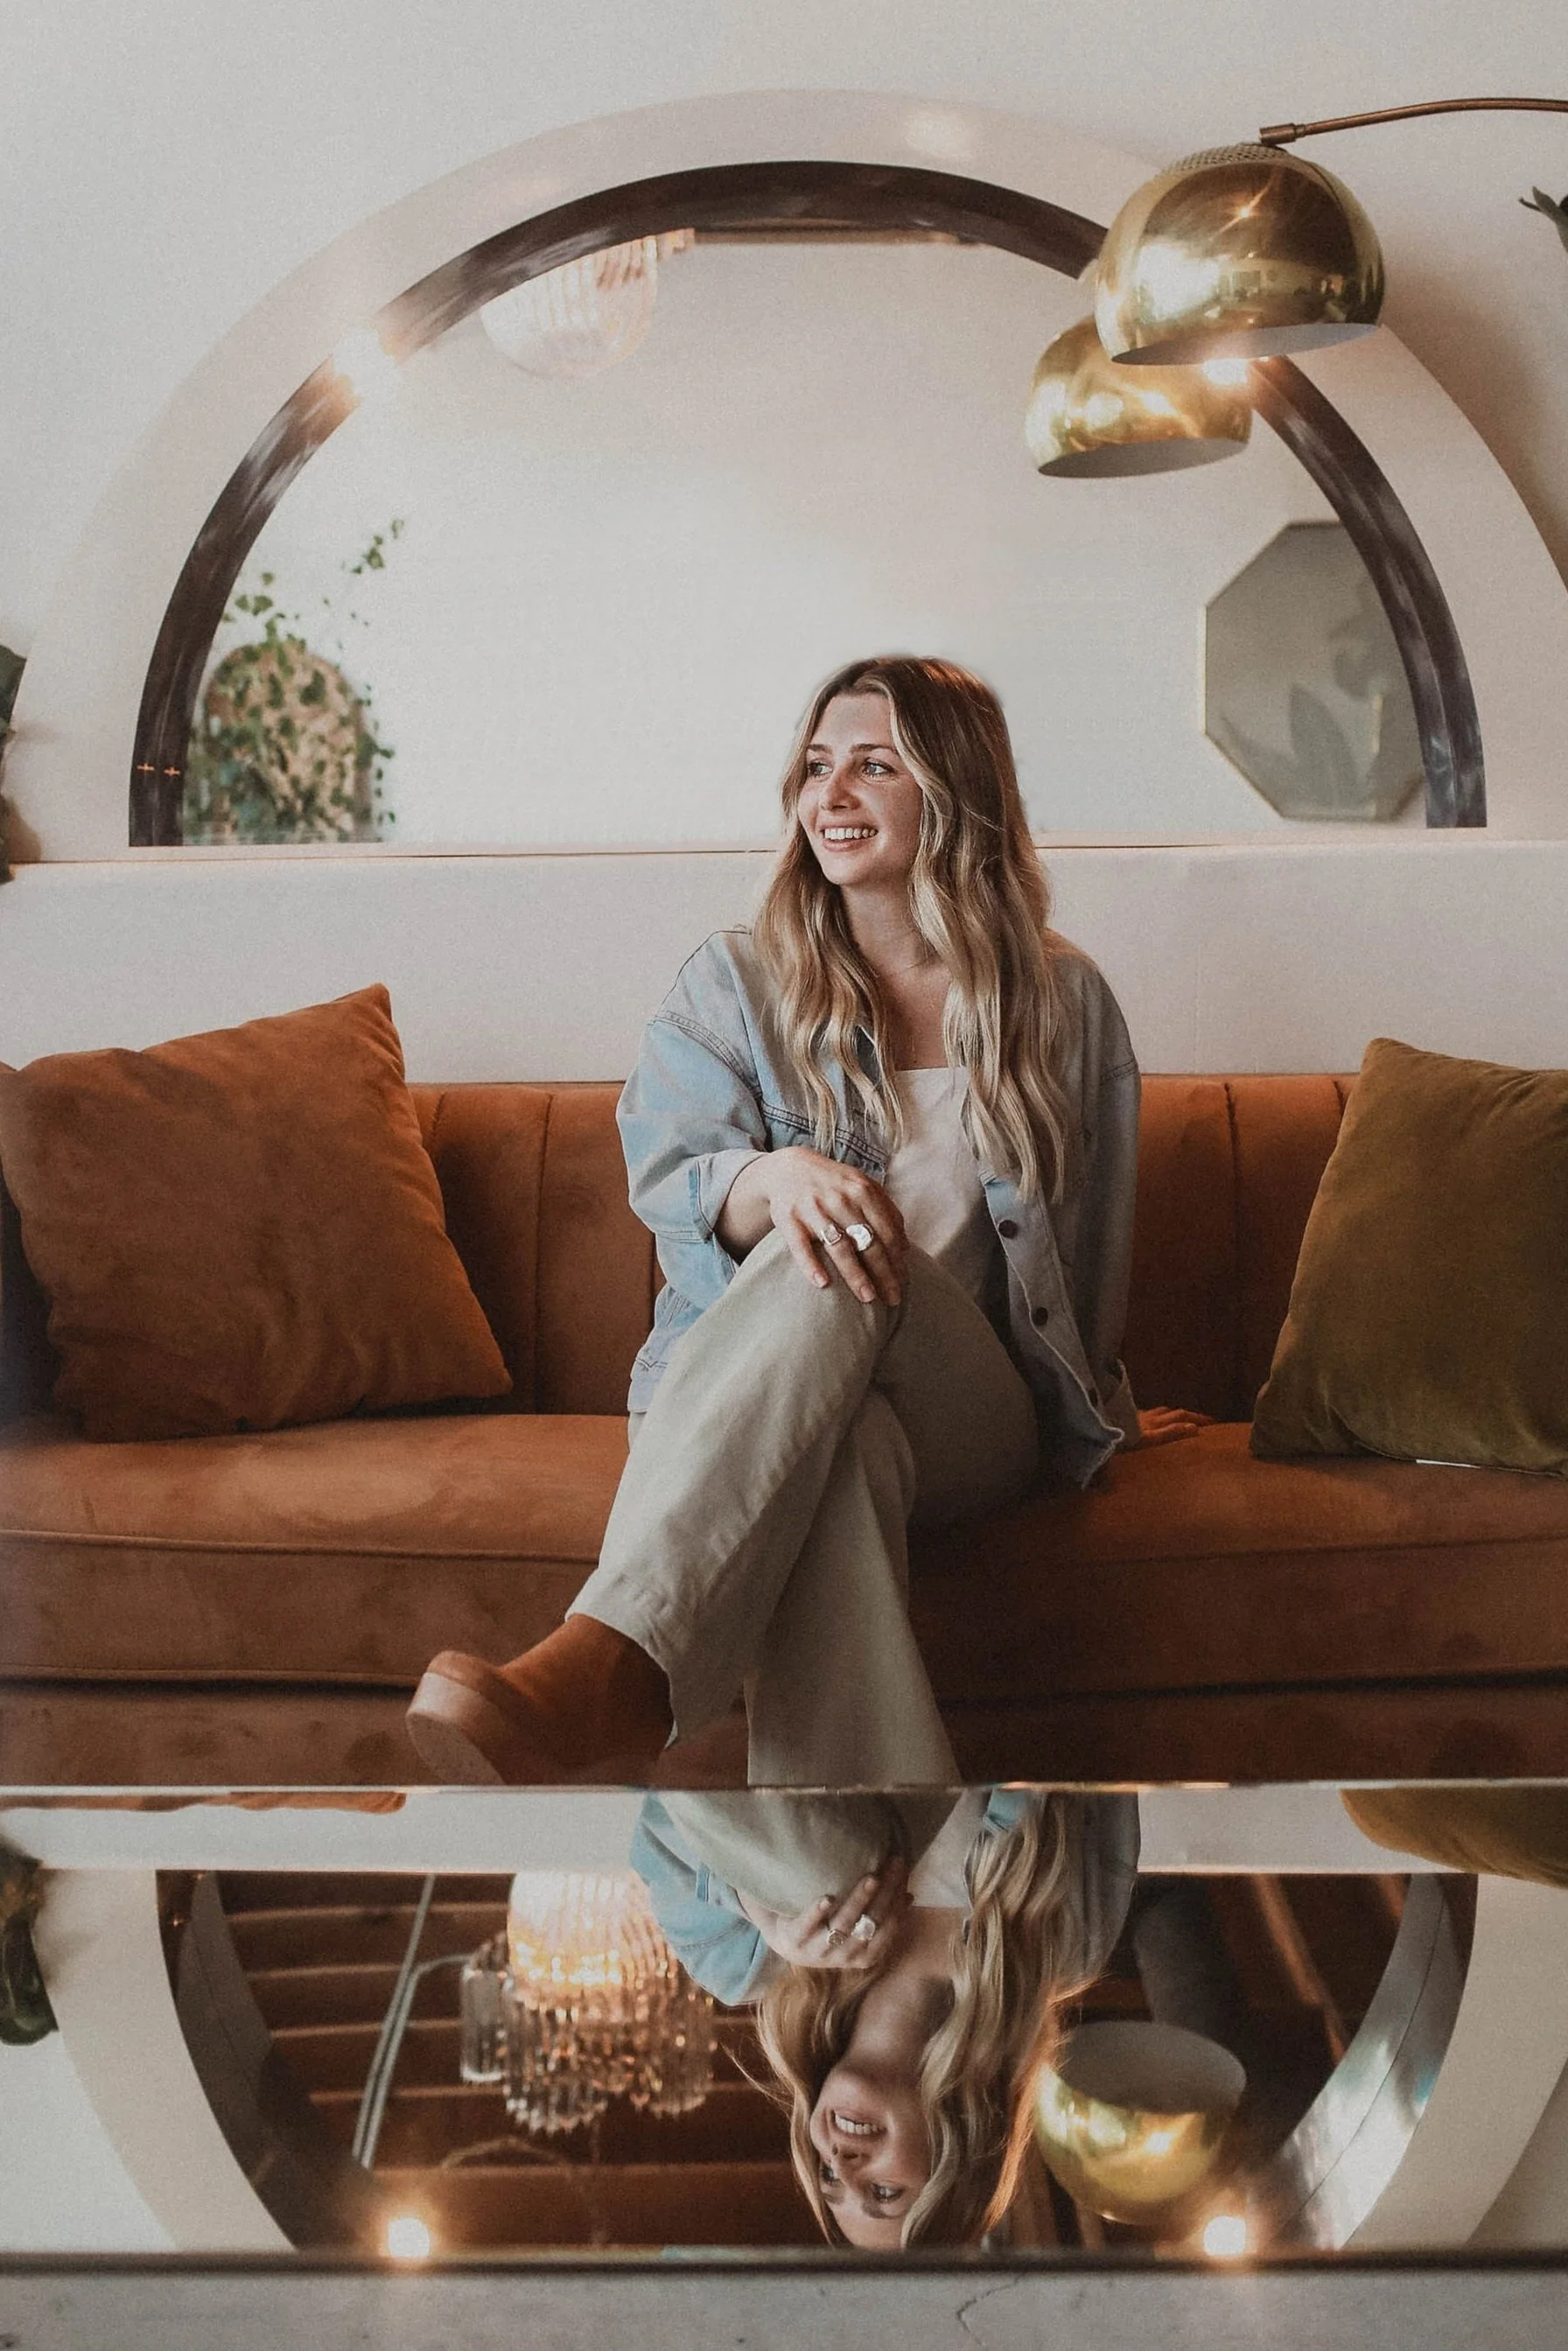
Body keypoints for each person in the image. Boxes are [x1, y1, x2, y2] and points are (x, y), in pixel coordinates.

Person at [405, 655, 1208, 1787]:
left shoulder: (1064, 1006)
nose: (830, 794)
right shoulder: (734, 980)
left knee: (842, 1245)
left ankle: (612, 1658)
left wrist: (1098, 1408)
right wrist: (770, 1178)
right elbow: (671, 1170)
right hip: (762, 1394)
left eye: (874, 764)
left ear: (956, 791)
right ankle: (859, 1882)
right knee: (843, 1433)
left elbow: (1093, 1265)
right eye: (816, 766)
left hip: (974, 1413)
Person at [630, 1784, 1140, 2247]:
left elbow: (669, 1785)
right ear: (958, 2155)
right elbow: (1100, 1755)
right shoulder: (1066, 1946)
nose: (841, 2165)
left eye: (828, 2180)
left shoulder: (733, 1956)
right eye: (885, 2191)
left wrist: (753, 1901)